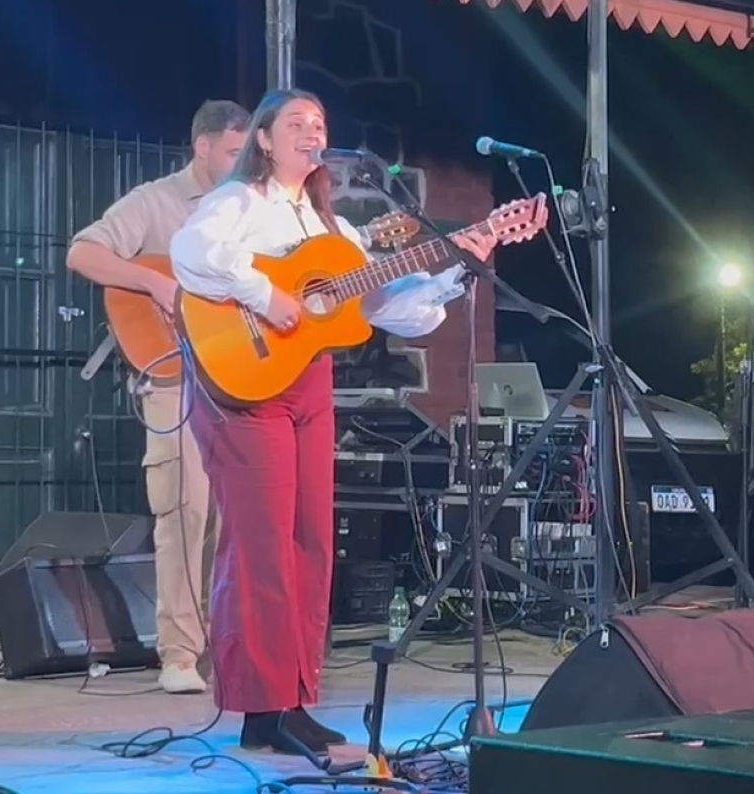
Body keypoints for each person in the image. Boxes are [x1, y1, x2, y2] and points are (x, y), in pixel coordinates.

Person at [170, 88, 498, 753]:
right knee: (261, 545)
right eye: (296, 121)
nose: (312, 131)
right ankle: (264, 704)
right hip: (248, 384)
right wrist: (266, 294)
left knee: (312, 542)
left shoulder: (334, 229)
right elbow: (190, 253)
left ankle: (286, 703)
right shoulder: (240, 201)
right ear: (263, 138)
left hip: (308, 384)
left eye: (319, 123)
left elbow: (382, 305)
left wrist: (455, 268)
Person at [66, 100, 250, 695]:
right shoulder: (154, 202)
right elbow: (83, 251)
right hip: (175, 378)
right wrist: (155, 281)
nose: (241, 162)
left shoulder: (252, 211)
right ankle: (178, 652)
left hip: (241, 378)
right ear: (202, 147)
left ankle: (229, 645)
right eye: (231, 151)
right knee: (184, 511)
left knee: (235, 519)